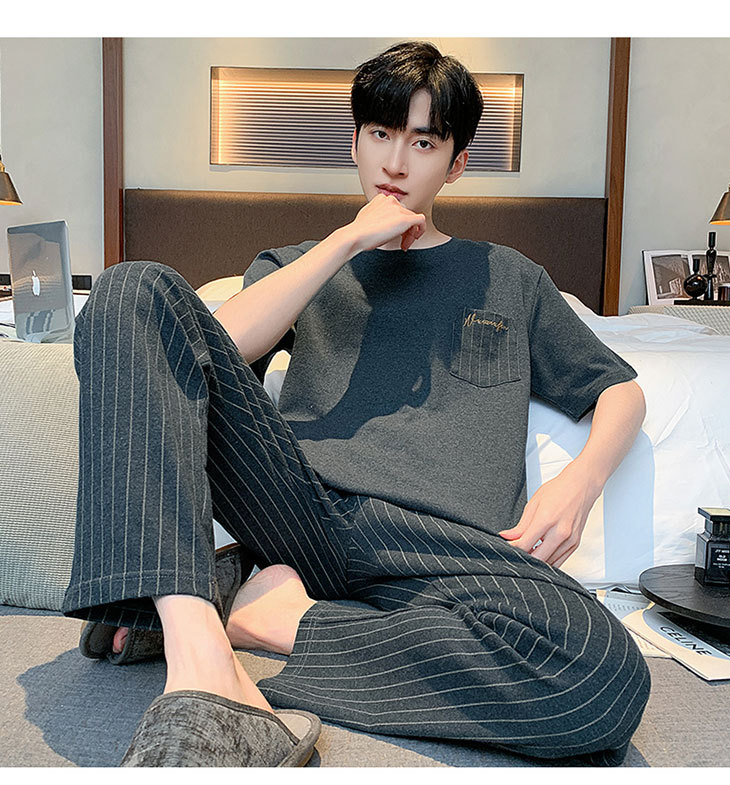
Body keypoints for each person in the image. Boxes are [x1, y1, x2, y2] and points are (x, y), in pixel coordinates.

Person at [63, 41, 650, 767]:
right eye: (380, 134)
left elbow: (619, 389)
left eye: (423, 142)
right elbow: (206, 347)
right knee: (129, 290)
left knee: (603, 674)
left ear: (456, 163)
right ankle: (198, 651)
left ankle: (272, 617)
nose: (395, 163)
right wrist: (345, 243)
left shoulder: (510, 278)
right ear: (355, 142)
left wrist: (580, 482)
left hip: (446, 552)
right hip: (301, 513)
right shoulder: (299, 264)